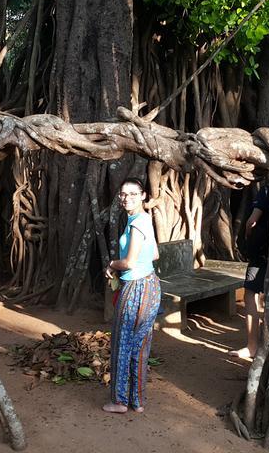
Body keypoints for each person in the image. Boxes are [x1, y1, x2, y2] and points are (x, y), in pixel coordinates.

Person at [103, 177, 161, 414]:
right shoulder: (144, 220)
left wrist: (112, 264)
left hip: (136, 289)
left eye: (133, 194)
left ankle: (119, 401)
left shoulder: (137, 223)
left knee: (122, 343)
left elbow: (128, 262)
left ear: (143, 196)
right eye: (124, 194)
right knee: (140, 345)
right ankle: (137, 401)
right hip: (150, 285)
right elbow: (155, 254)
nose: (127, 198)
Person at [230, 184, 269, 360]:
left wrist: (249, 239)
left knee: (251, 294)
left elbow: (251, 222)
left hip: (262, 253)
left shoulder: (268, 189)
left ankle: (252, 346)